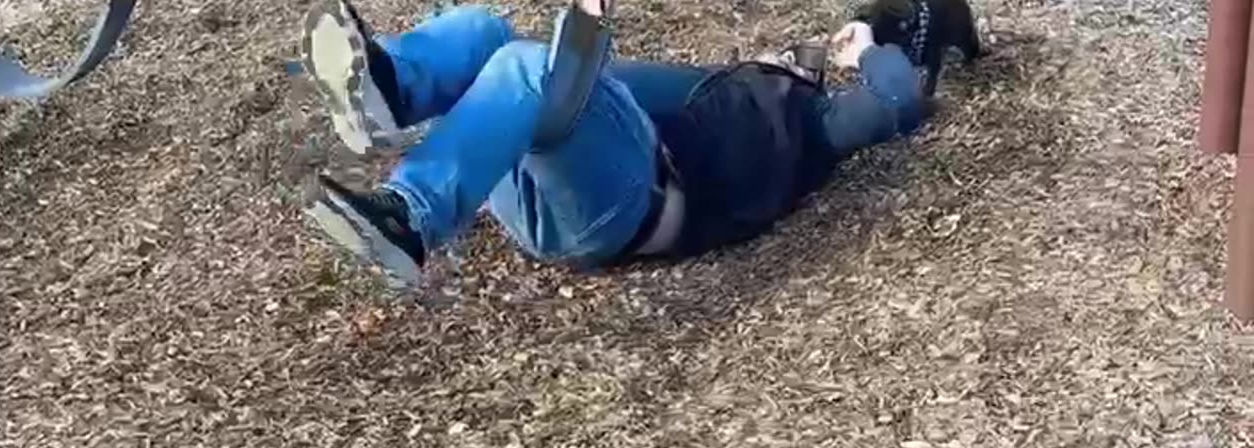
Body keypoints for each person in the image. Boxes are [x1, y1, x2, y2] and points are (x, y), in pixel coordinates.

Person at [300, 0, 927, 287]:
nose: (788, 57)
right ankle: (390, 88)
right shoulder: (713, 87)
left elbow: (898, 100)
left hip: (634, 206)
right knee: (486, 31)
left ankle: (408, 217)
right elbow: (606, 94)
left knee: (524, 67)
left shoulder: (814, 125)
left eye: (798, 59)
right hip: (564, 186)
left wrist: (870, 47)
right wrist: (588, 35)